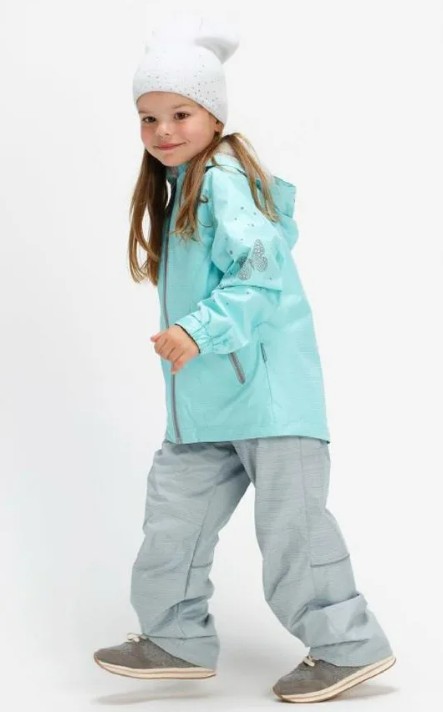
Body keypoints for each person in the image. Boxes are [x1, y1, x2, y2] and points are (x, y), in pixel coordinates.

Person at [93, 13, 396, 703]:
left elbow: (260, 276)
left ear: (213, 115)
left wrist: (196, 329)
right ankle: (175, 638)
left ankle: (349, 646)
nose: (163, 131)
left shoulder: (222, 181)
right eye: (148, 118)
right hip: (203, 408)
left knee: (293, 532)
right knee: (172, 521)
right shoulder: (179, 186)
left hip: (268, 400)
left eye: (180, 114)